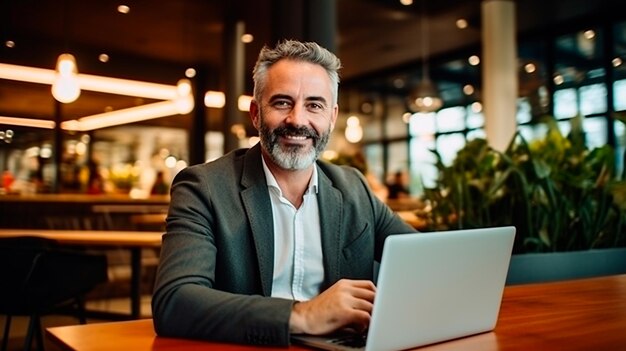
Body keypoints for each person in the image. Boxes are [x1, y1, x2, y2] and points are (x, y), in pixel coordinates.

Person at [151, 39, 417, 346]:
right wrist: (302, 314)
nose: (298, 120)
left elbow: (424, 261)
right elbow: (174, 302)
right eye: (281, 102)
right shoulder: (203, 187)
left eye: (314, 105)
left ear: (331, 117)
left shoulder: (353, 186)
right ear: (255, 113)